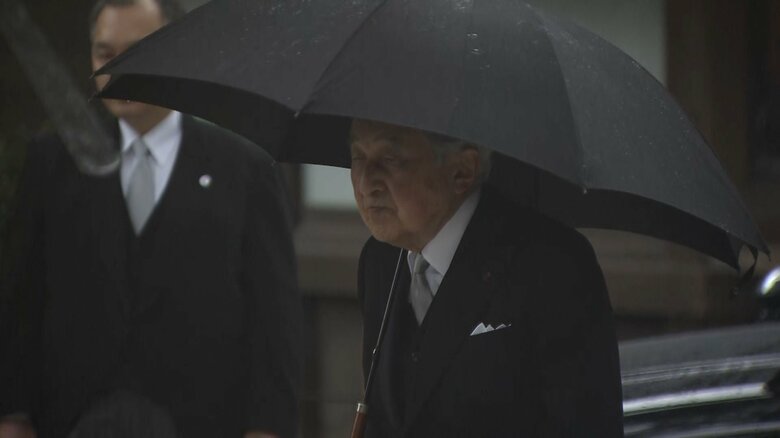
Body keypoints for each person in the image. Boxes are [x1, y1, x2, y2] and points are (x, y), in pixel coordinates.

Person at [0, 1, 302, 437]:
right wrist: (12, 414)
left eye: (137, 52)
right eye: (105, 54)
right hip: (72, 419)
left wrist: (267, 428)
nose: (118, 71)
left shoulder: (244, 170)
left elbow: (274, 318)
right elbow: (21, 300)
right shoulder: (53, 162)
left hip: (205, 422)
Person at [350, 119, 624, 437]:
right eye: (358, 157)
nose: (366, 183)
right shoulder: (379, 259)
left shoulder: (552, 265)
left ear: (462, 171)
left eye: (390, 159)